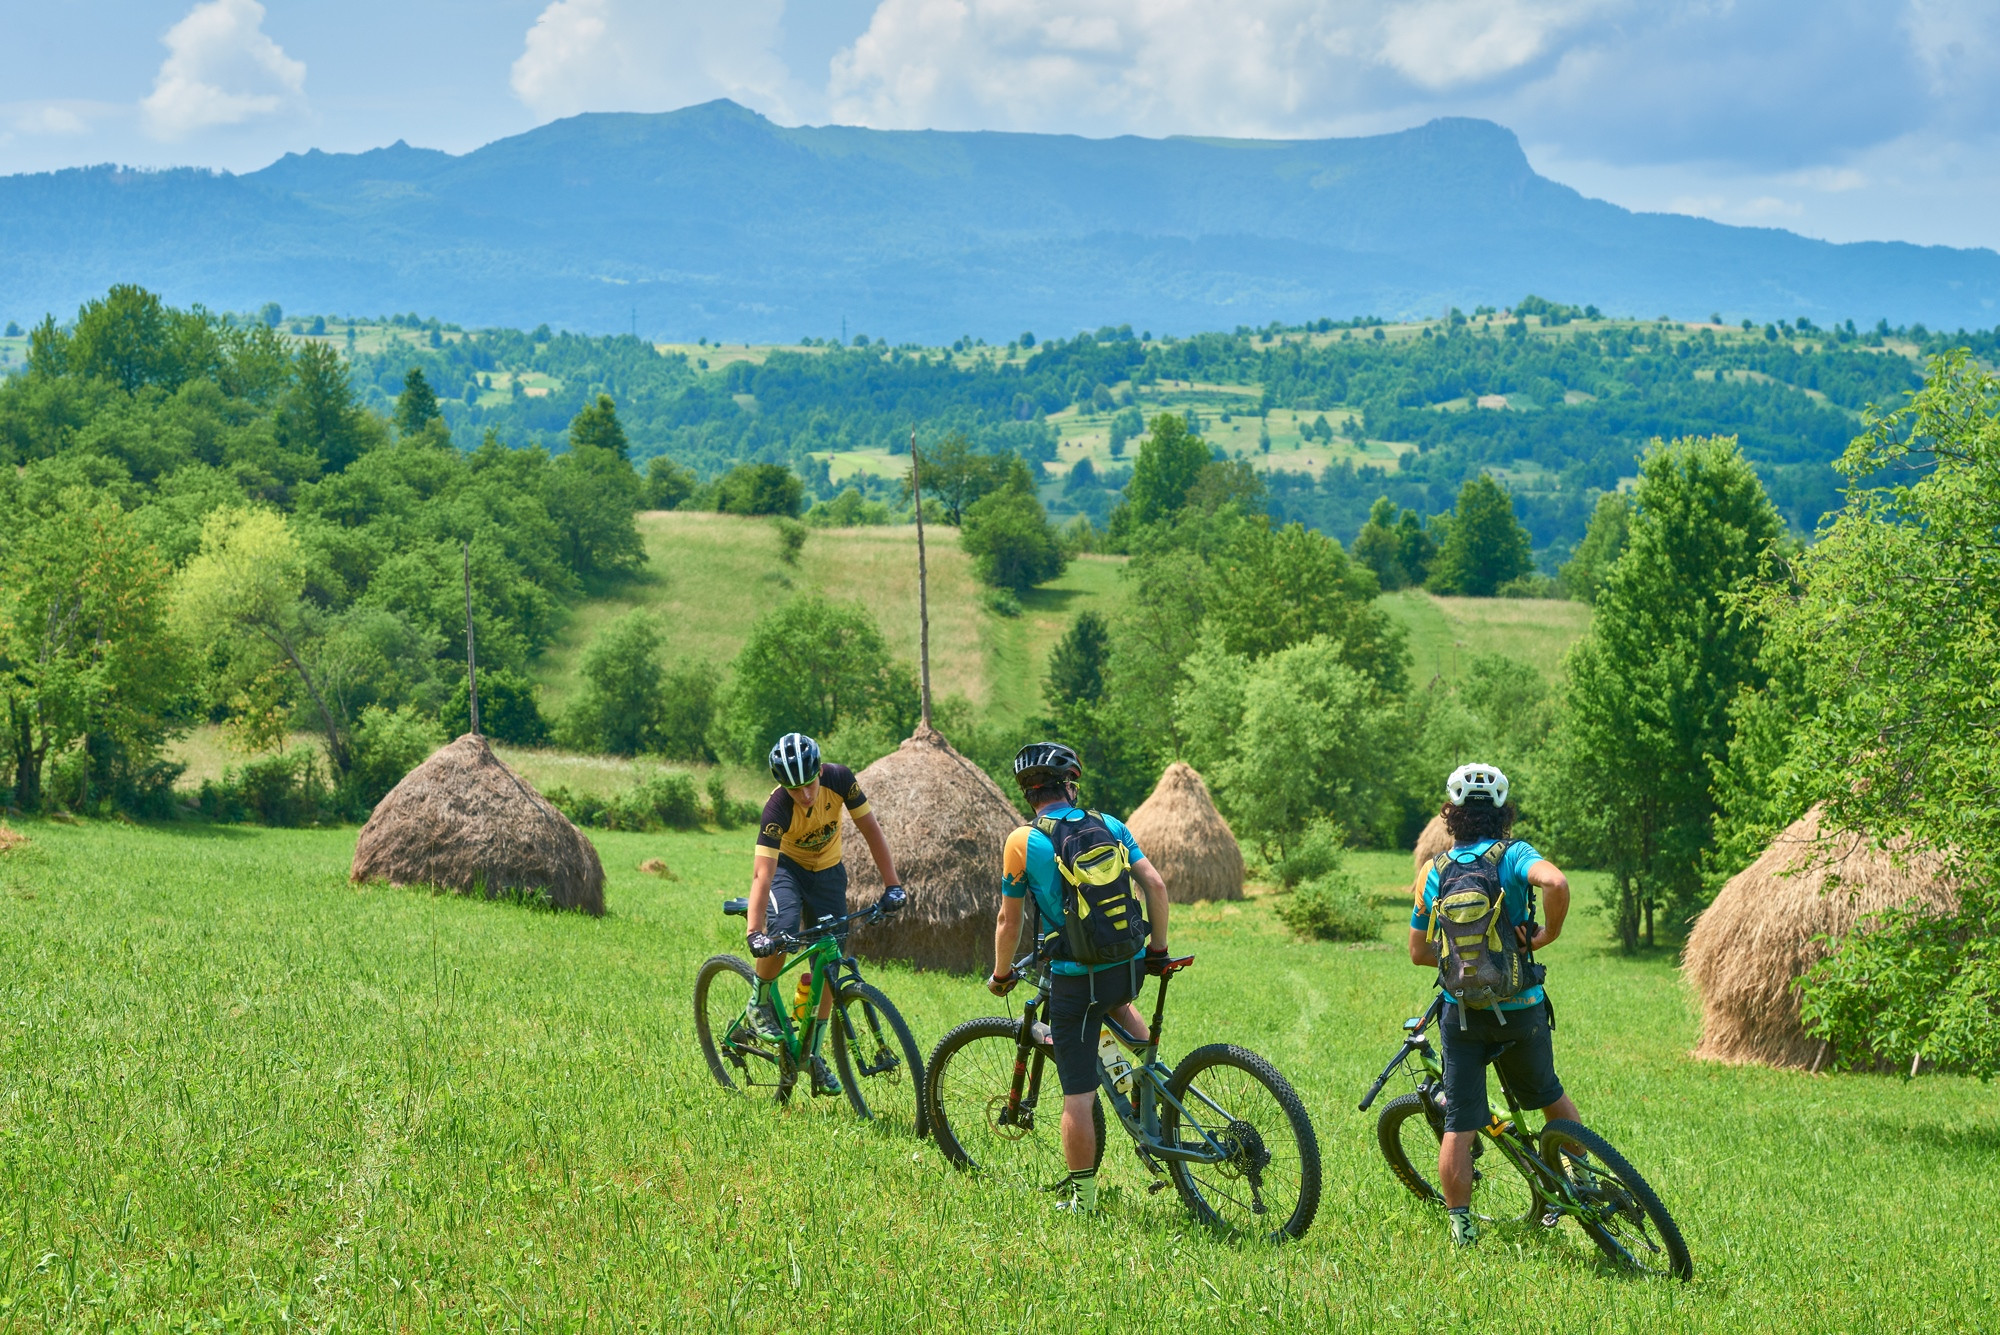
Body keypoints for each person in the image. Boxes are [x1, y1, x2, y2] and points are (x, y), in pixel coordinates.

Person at [986, 741, 1170, 1214]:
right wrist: (1157, 950)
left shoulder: (1022, 842)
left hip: (1074, 981)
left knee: (1077, 1095)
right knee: (1117, 1003)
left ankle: (1084, 1201)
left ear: (1030, 794)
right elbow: (1155, 885)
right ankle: (1148, 1094)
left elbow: (1010, 922)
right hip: (1128, 968)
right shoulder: (1109, 824)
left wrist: (1002, 973)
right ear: (1069, 785)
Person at [1408, 762, 1577, 1249]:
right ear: (1502, 812)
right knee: (1548, 1095)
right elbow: (1558, 885)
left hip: (1462, 1017)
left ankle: (1462, 1225)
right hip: (1522, 1008)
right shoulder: (1516, 855)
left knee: (1460, 1123)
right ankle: (1579, 1176)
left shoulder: (1433, 872)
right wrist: (1547, 934)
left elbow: (1419, 952)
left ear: (1452, 815)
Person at [744, 732, 905, 1094]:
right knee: (782, 933)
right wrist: (756, 931)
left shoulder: (840, 780)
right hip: (787, 871)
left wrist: (892, 884)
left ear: (820, 770)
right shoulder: (777, 809)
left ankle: (813, 1055)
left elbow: (870, 830)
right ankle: (760, 999)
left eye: (809, 783)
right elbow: (762, 873)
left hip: (829, 872)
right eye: (794, 788)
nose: (805, 794)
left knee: (829, 963)